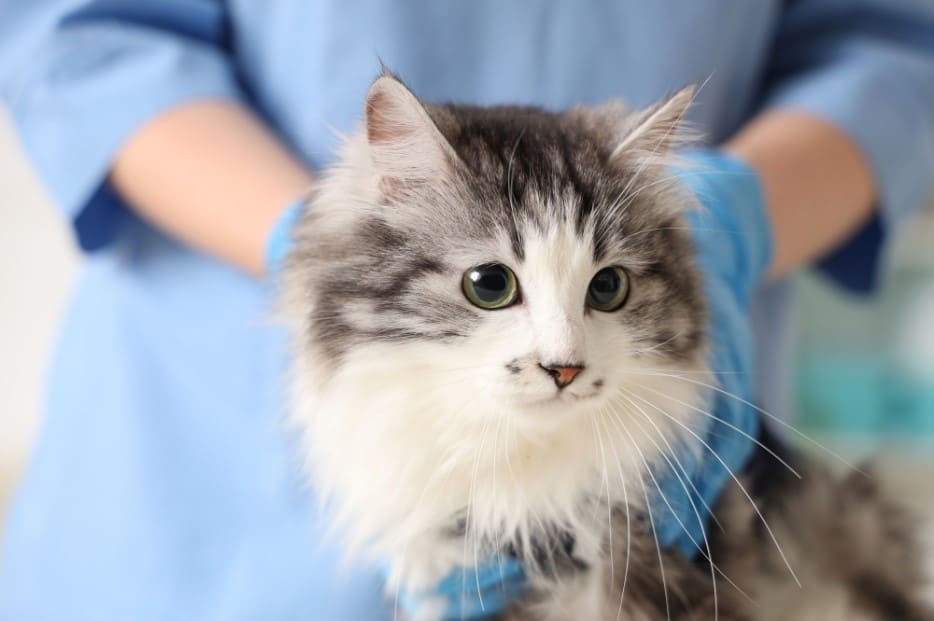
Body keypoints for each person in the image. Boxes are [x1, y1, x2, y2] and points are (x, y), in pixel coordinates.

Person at [1, 2, 933, 619]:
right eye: (497, 289)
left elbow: (891, 48)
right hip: (202, 504)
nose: (559, 354)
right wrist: (308, 239)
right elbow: (83, 38)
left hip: (674, 472)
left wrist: (741, 212)